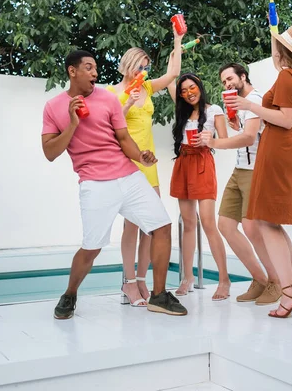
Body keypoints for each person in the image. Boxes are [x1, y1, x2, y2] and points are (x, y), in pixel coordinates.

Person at [42, 50, 187, 318]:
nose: (95, 72)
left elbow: (123, 138)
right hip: (95, 184)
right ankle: (70, 294)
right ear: (72, 71)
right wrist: (72, 124)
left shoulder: (108, 99)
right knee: (92, 247)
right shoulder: (53, 107)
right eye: (88, 67)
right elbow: (50, 152)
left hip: (128, 175)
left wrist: (140, 157)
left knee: (162, 227)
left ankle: (158, 295)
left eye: (96, 67)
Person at [224, 26, 292, 319]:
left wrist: (248, 105)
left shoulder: (288, 76)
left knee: (266, 222)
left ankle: (289, 291)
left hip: (281, 148)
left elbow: (286, 119)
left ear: (283, 52)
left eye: (276, 46)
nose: (272, 50)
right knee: (274, 223)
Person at [106, 29, 183, 306]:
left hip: (148, 163)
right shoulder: (111, 93)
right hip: (126, 161)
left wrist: (177, 39)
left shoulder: (148, 88)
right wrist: (127, 101)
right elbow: (111, 125)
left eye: (147, 67)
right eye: (142, 66)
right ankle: (127, 284)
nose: (145, 71)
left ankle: (142, 280)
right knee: (131, 225)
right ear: (129, 65)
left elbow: (173, 73)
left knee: (153, 225)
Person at [200, 63, 281, 305]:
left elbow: (248, 137)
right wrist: (235, 123)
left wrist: (214, 142)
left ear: (243, 76)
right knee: (225, 225)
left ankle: (276, 283)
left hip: (256, 170)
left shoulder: (254, 99)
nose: (227, 84)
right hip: (240, 169)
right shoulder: (241, 103)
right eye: (224, 82)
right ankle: (260, 279)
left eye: (230, 79)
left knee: (251, 229)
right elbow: (246, 132)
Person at [168, 73, 231, 301]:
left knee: (208, 223)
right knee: (188, 224)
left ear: (200, 87)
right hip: (184, 162)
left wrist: (210, 139)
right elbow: (169, 77)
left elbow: (225, 140)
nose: (188, 93)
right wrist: (176, 43)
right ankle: (187, 278)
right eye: (183, 91)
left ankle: (224, 280)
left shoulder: (214, 110)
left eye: (192, 87)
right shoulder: (182, 111)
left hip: (203, 162)